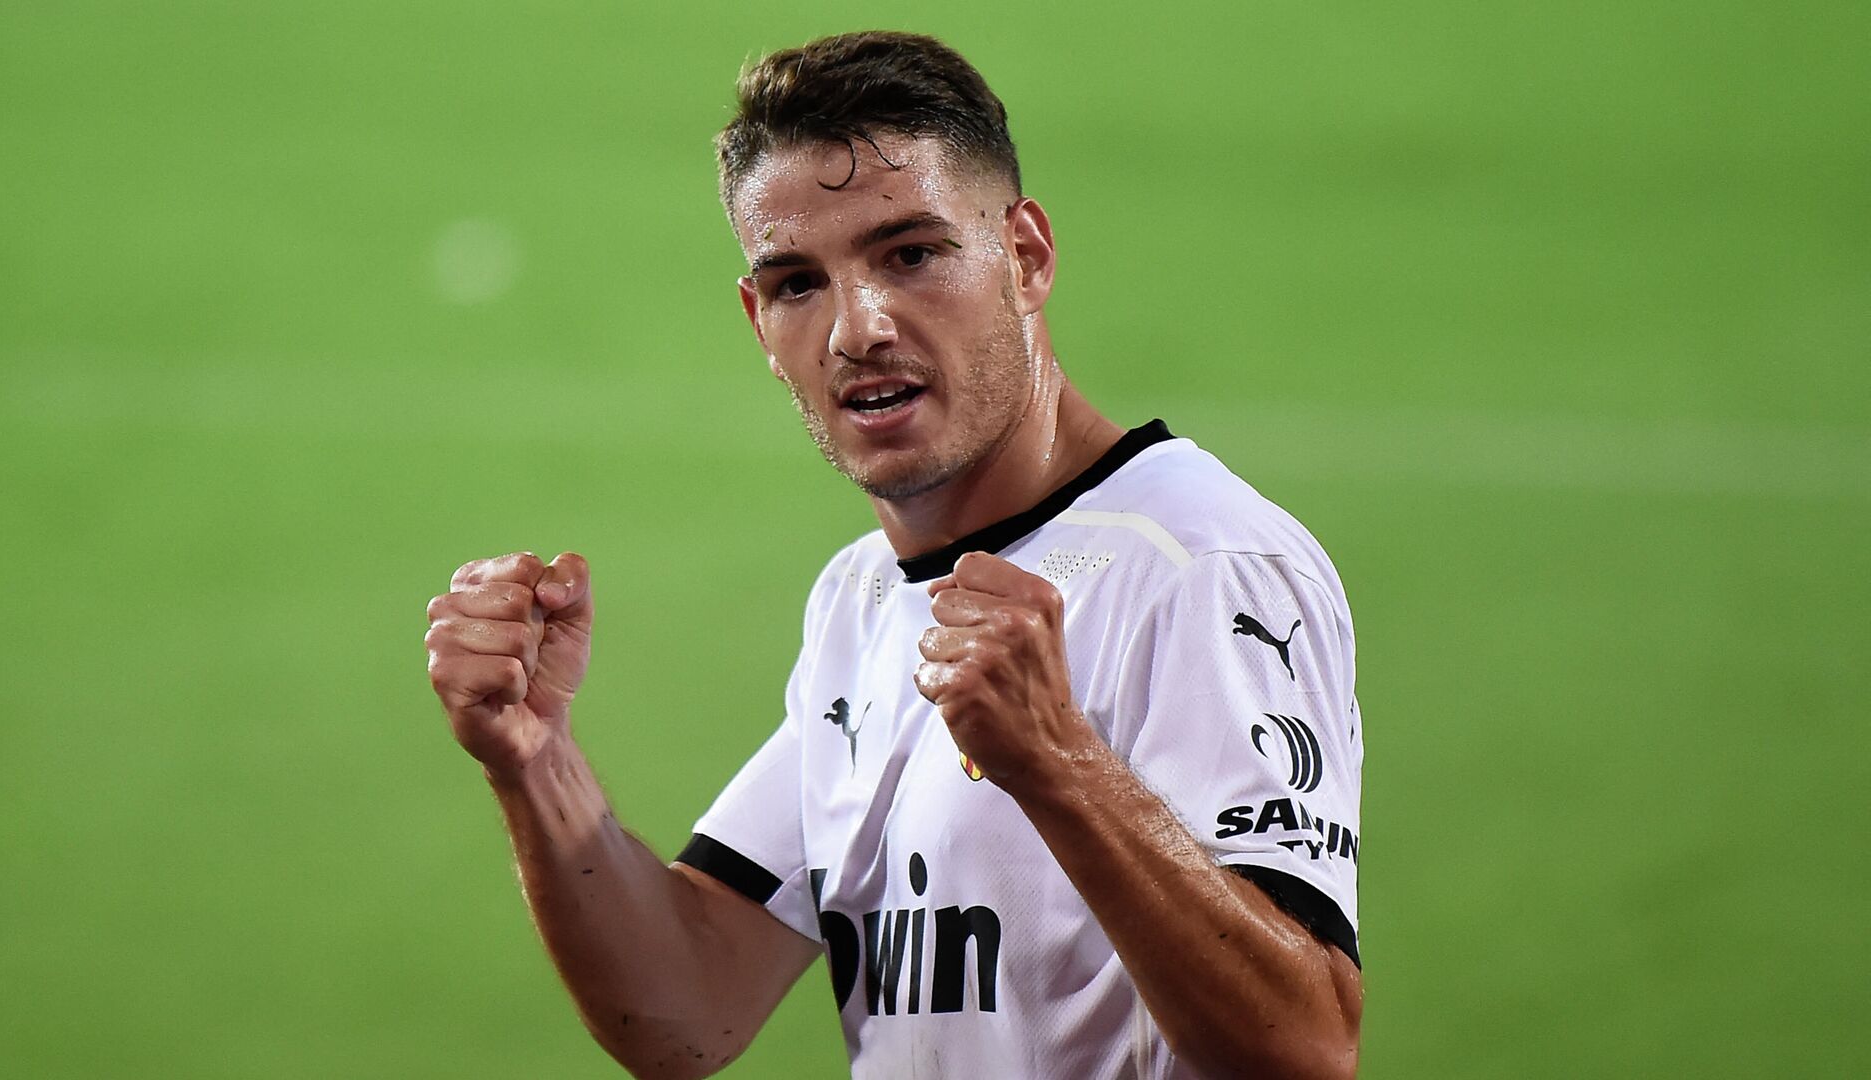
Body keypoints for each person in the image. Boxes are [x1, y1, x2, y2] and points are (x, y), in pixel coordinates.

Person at [424, 30, 1363, 1080]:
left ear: (1026, 254)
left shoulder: (1199, 564)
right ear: (757, 322)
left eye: (911, 254)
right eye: (795, 283)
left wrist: (1055, 762)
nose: (856, 328)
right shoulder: (862, 600)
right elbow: (686, 1009)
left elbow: (1305, 1048)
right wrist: (533, 758)